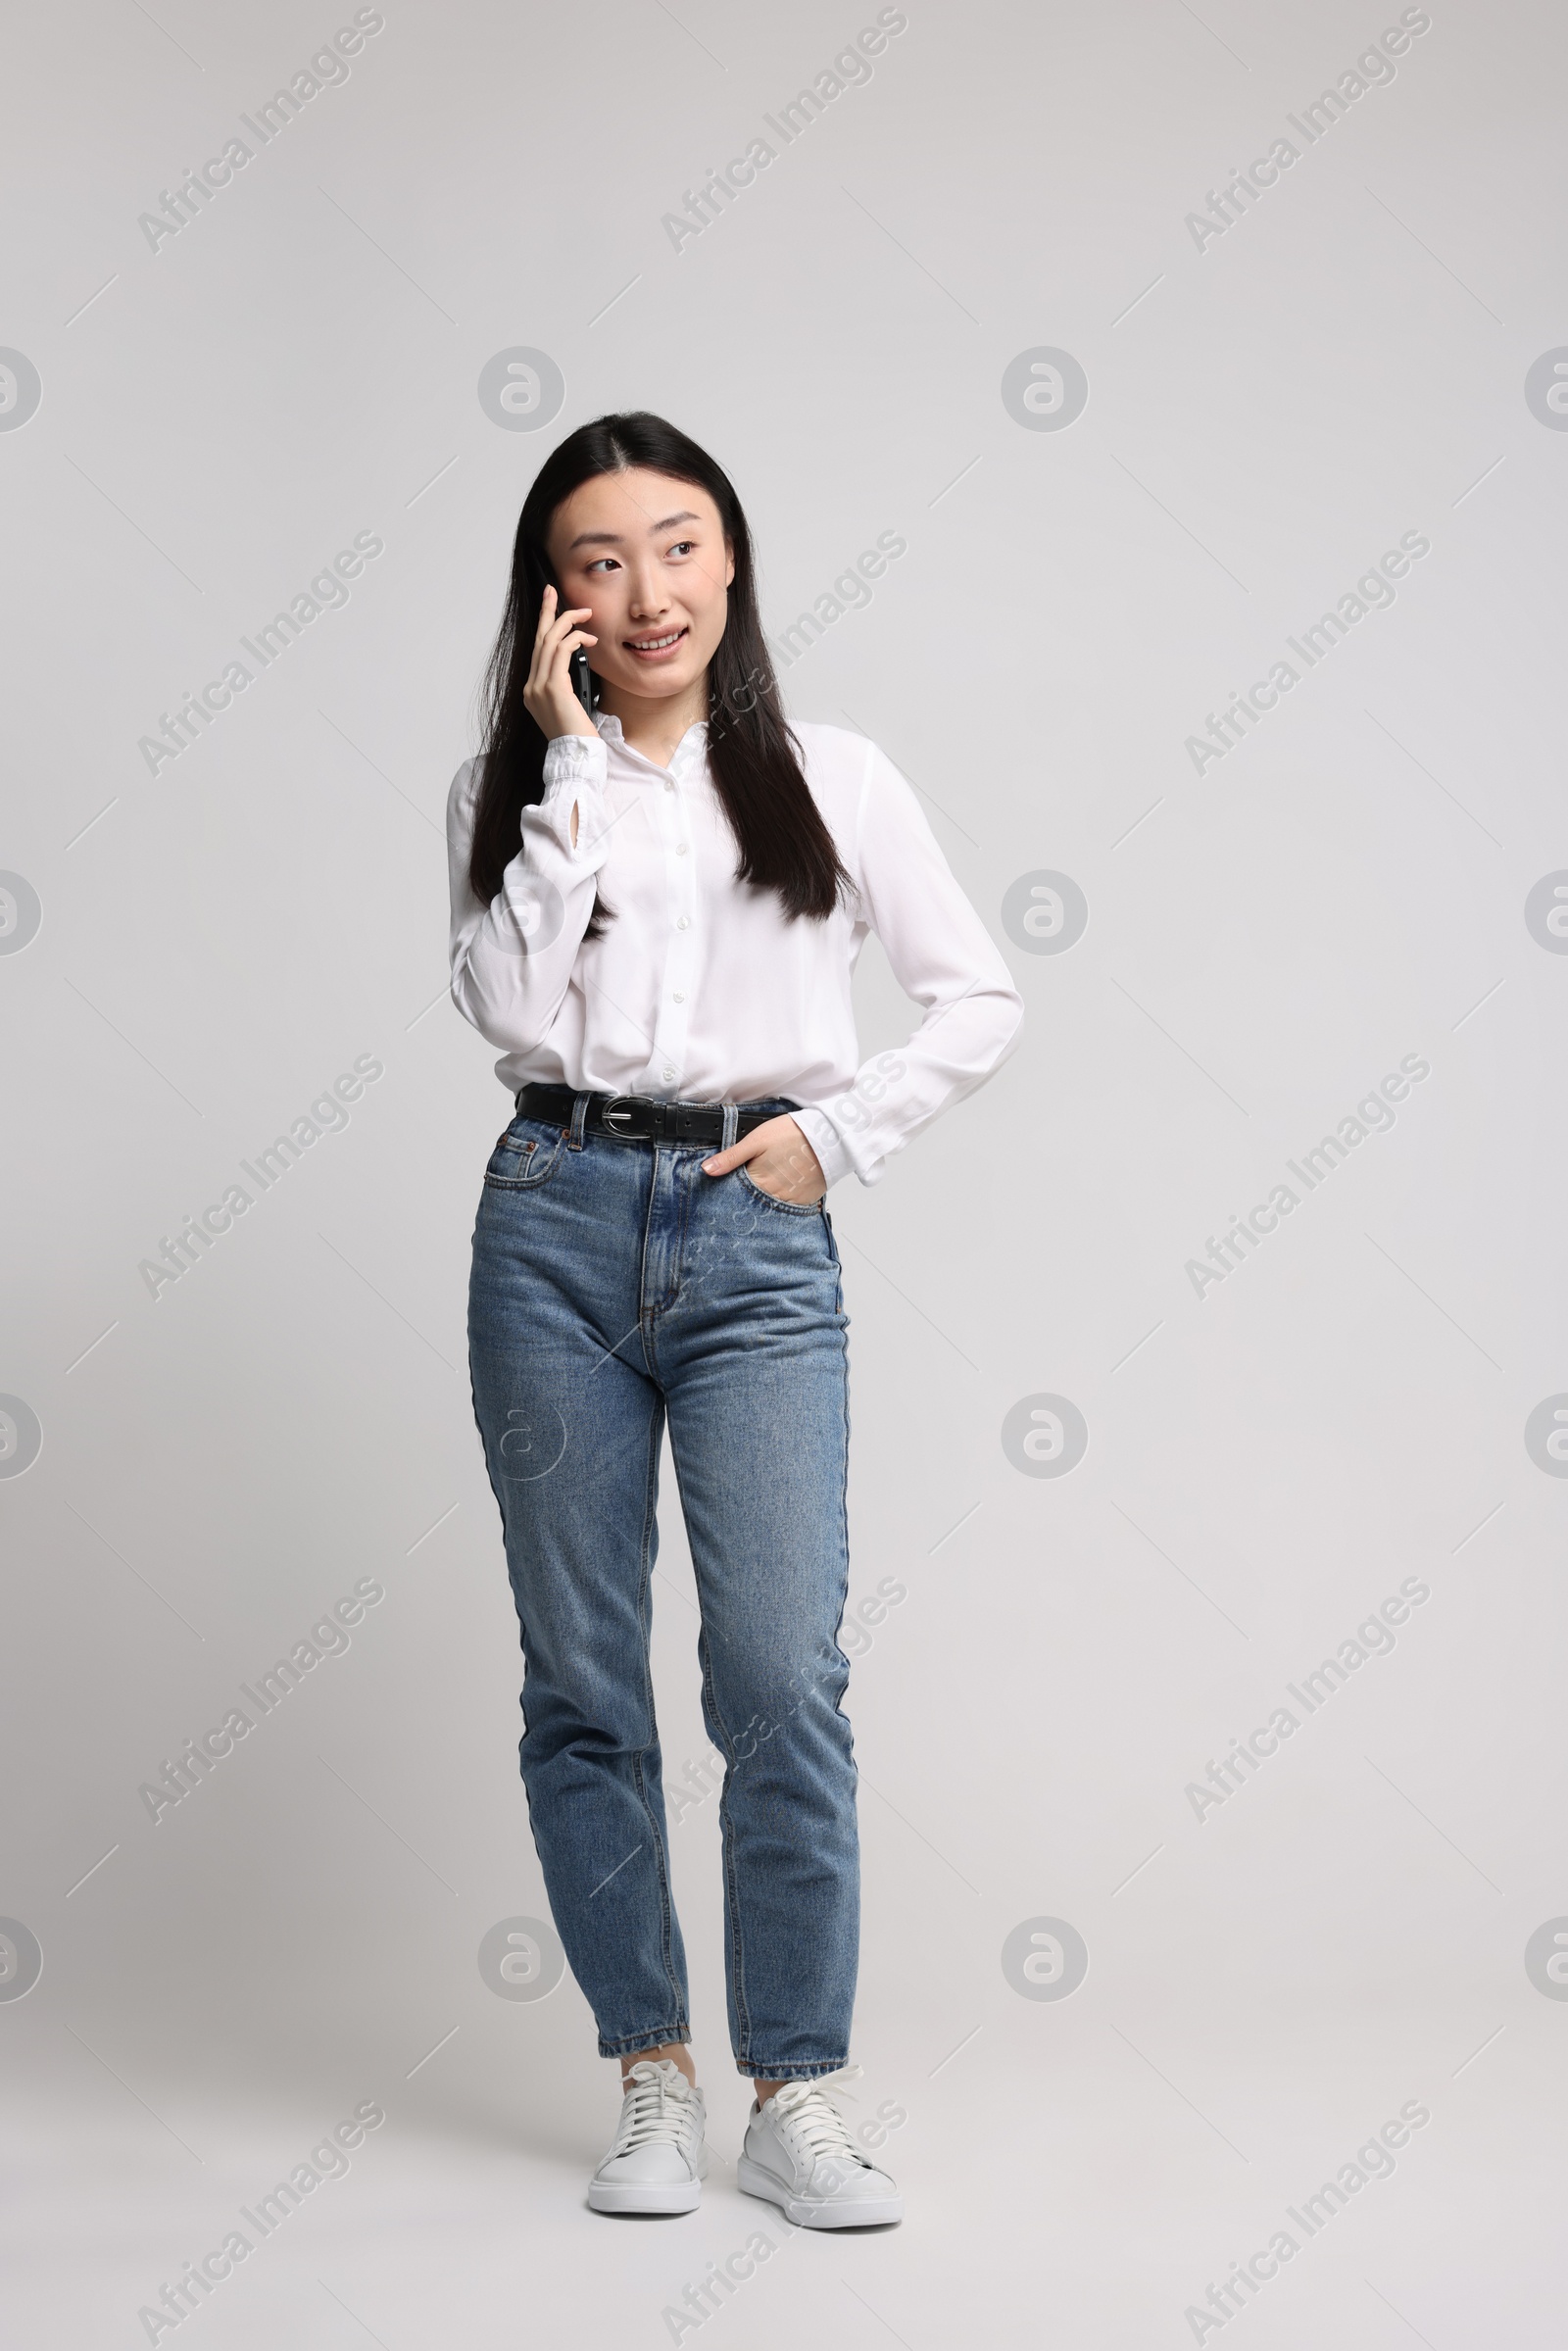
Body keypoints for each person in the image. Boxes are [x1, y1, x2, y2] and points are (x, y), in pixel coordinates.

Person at [447, 411, 1022, 2227]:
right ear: (556, 597)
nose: (649, 588)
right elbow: (501, 1009)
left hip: (753, 1239)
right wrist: (566, 779)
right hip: (550, 1224)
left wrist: (834, 1139)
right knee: (583, 1679)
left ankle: (797, 2092)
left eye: (680, 544)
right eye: (602, 557)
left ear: (734, 559)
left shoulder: (833, 773)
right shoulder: (519, 791)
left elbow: (977, 995)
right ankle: (650, 2071)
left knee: (781, 1675)